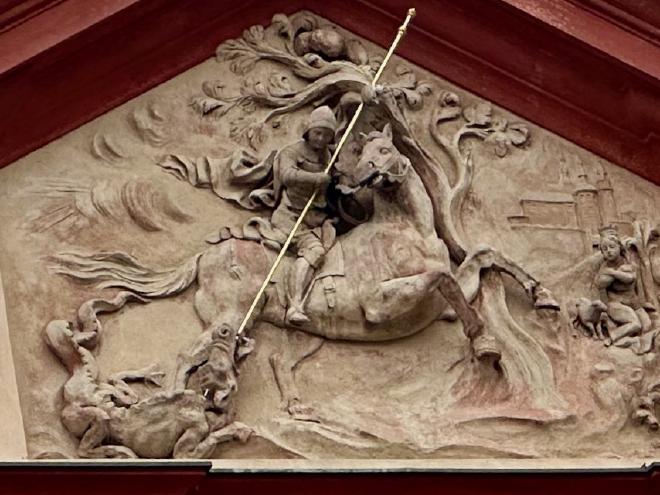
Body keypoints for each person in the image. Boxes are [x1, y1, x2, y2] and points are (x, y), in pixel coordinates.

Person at [271, 106, 337, 326]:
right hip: (290, 216)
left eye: (327, 135)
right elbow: (287, 175)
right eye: (318, 133)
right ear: (308, 131)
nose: (321, 139)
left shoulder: (328, 156)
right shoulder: (291, 152)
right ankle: (295, 306)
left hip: (313, 217)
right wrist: (315, 178)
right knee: (315, 250)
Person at [595, 226, 651, 344]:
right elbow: (600, 284)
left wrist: (613, 273)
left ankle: (627, 337)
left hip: (634, 303)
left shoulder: (627, 262)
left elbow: (630, 278)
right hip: (616, 304)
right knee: (635, 324)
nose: (609, 251)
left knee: (647, 326)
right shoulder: (604, 266)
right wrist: (614, 274)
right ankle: (612, 337)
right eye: (605, 249)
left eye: (612, 247)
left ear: (619, 247)